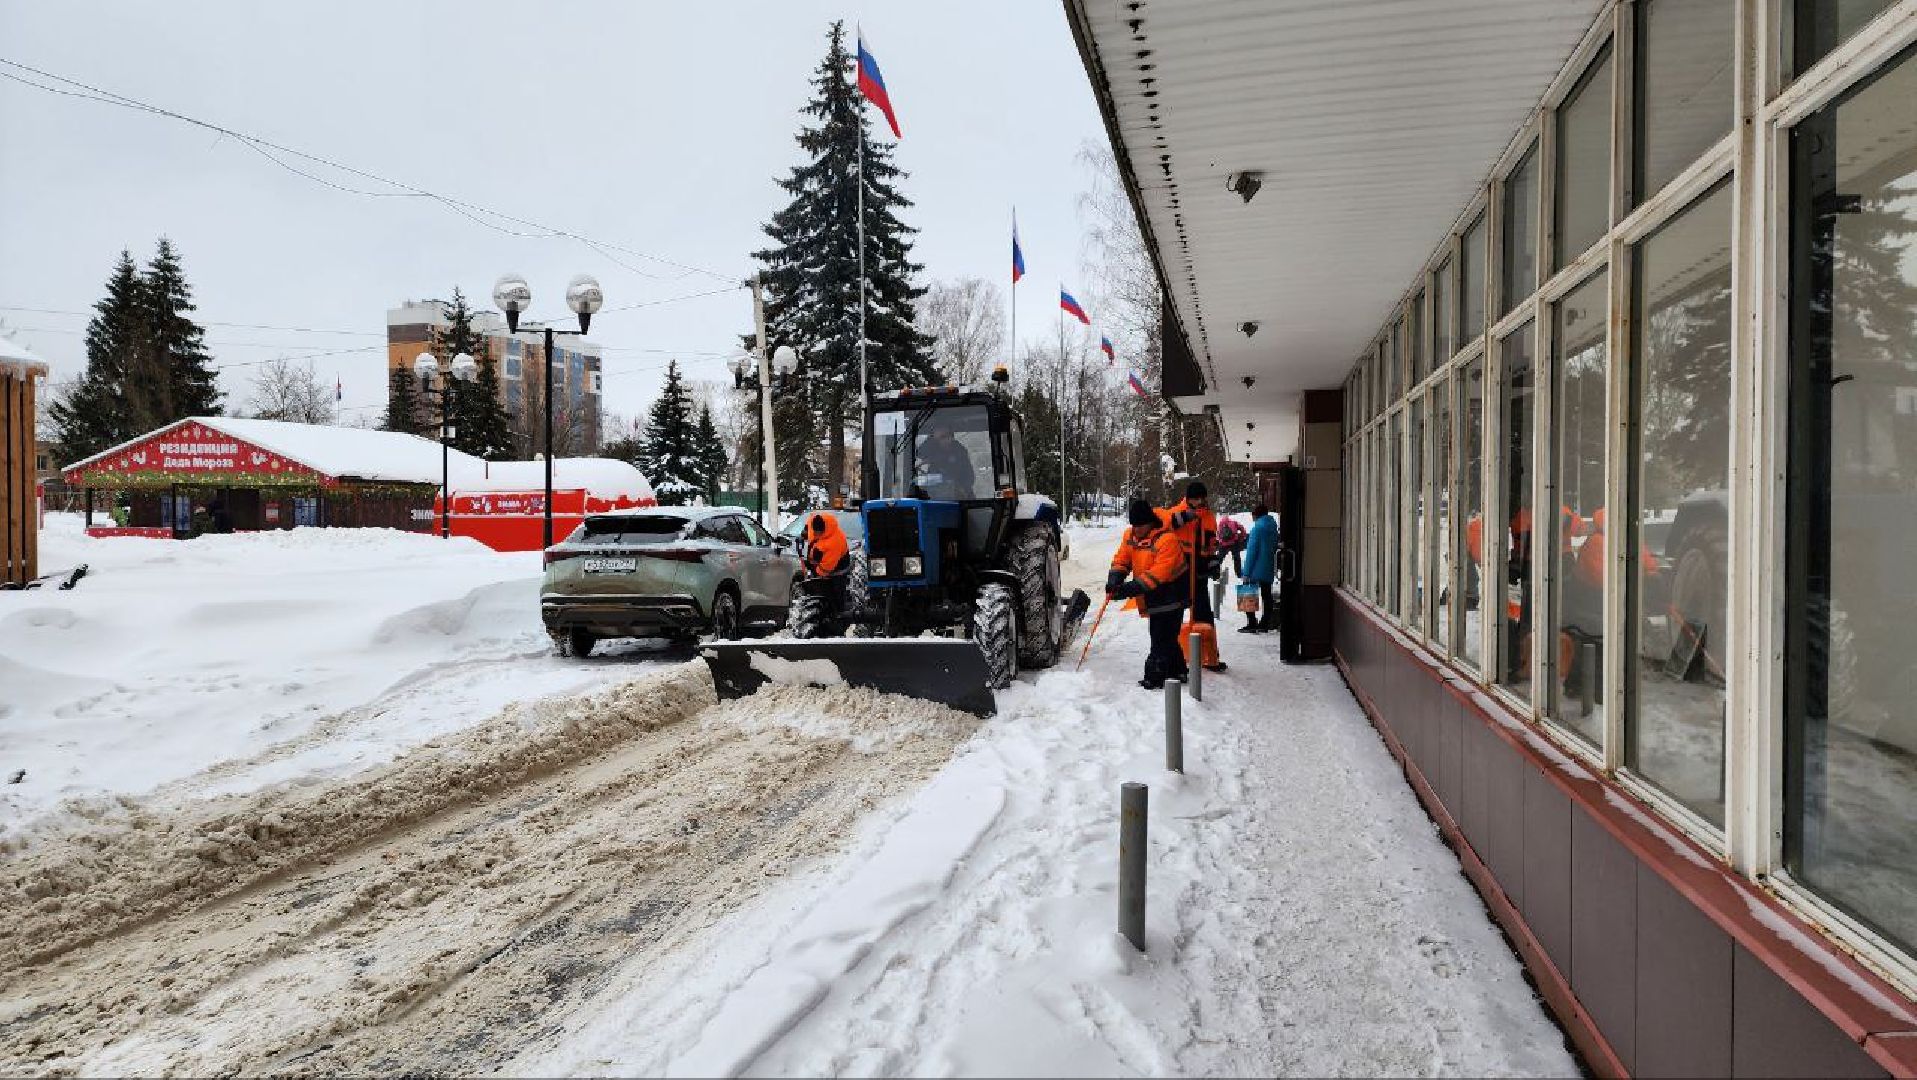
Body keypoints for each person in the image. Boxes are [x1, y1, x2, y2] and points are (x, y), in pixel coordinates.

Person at [1108, 497, 1190, 690]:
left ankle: (1154, 677)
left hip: (1173, 593)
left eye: (1140, 525)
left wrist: (1130, 589)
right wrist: (1115, 576)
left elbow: (1158, 574)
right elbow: (1123, 558)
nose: (1136, 530)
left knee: (1161, 636)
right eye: (1133, 525)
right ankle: (1178, 671)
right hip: (1153, 594)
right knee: (1166, 635)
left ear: (1151, 521)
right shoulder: (1131, 535)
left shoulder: (1167, 539)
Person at [1169, 480, 1227, 672]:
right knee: (1175, 611)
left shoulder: (1209, 517)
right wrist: (1185, 517)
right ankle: (1174, 655)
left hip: (1200, 570)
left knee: (1203, 612)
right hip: (1181, 569)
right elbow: (1166, 525)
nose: (1200, 502)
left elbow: (1211, 545)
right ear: (1188, 498)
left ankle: (1210, 655)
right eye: (1196, 499)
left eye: (1202, 498)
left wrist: (1213, 563)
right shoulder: (1178, 511)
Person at [1240, 503, 1277, 633]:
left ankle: (1251, 622)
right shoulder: (1273, 527)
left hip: (1255, 567)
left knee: (1247, 592)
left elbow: (1252, 551)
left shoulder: (1257, 529)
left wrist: (1246, 571)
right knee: (1267, 595)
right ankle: (1265, 622)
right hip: (1268, 566)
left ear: (1256, 515)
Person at [917, 426, 975, 499]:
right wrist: (931, 438)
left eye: (943, 436)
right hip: (935, 498)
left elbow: (968, 477)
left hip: (959, 498)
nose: (940, 441)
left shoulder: (959, 451)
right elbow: (920, 453)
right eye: (936, 438)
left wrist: (960, 488)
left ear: (950, 437)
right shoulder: (934, 448)